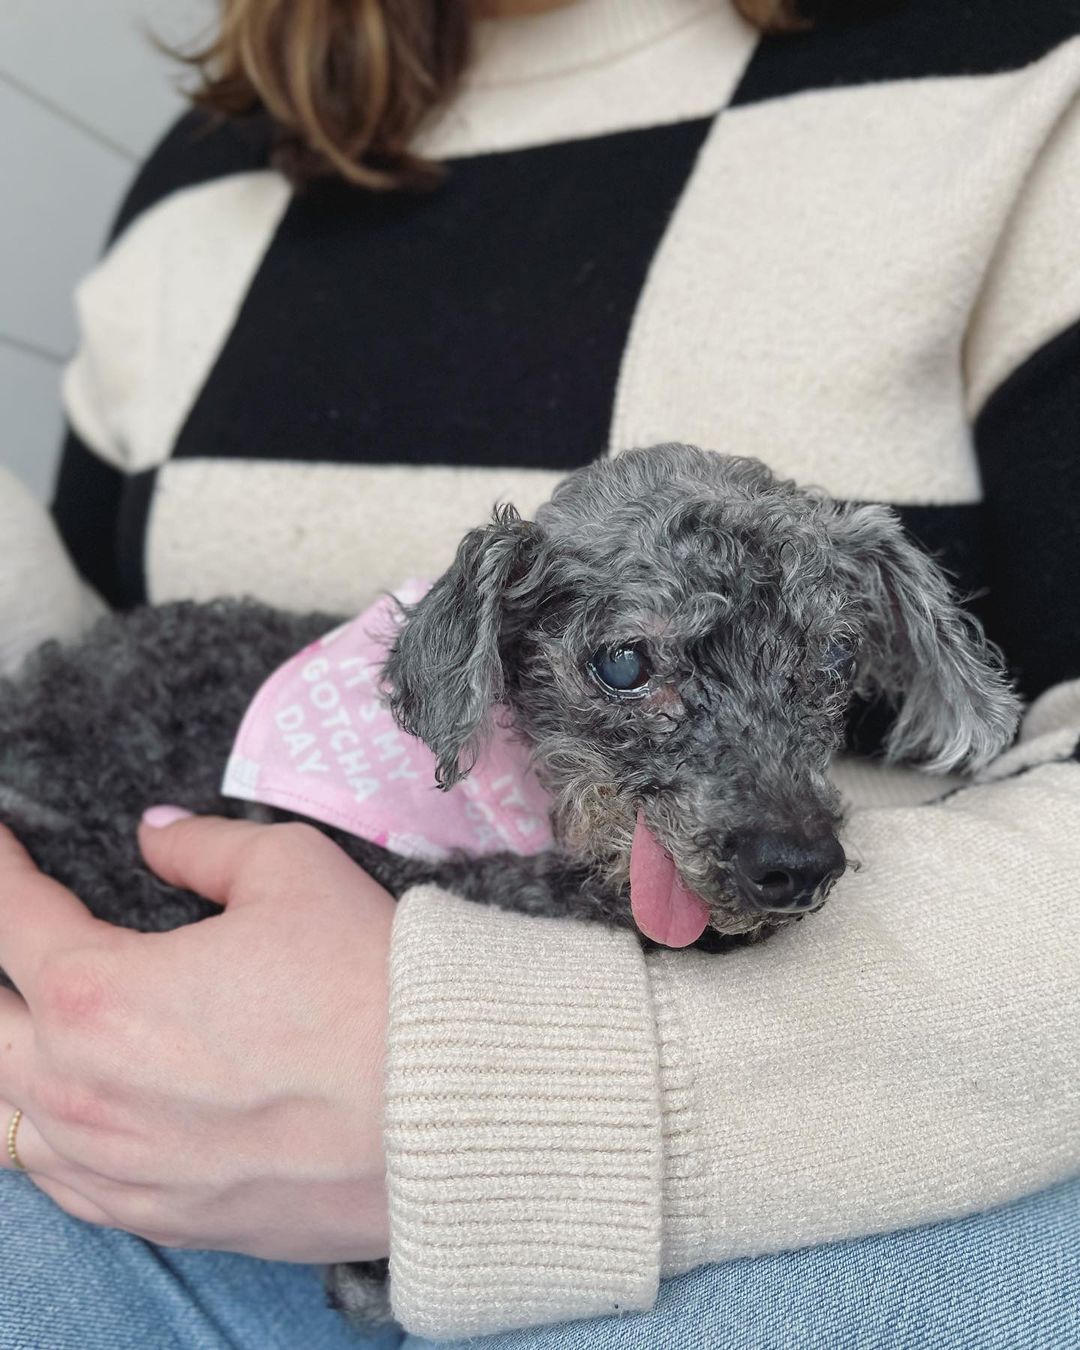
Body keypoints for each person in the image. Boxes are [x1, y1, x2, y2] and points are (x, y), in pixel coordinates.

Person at [1, 0, 1078, 1345]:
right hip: (133, 1131)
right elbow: (97, 657)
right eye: (635, 664)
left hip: (787, 1152)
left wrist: (494, 1098)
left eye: (826, 666)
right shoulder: (202, 174)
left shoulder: (1020, 66)